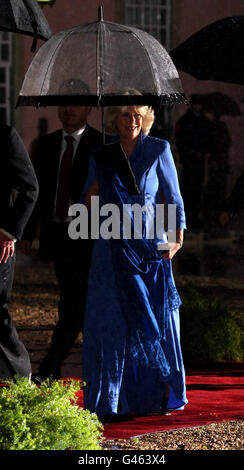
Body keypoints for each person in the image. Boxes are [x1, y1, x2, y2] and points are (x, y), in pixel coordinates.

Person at [82, 104, 188, 420]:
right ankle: (112, 401)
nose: (132, 121)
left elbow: (173, 197)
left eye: (138, 116)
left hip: (149, 249)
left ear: (146, 120)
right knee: (111, 325)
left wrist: (177, 239)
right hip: (110, 250)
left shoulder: (158, 149)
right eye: (126, 115)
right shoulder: (101, 155)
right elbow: (87, 206)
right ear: (114, 118)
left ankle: (157, 395)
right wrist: (98, 186)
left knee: (156, 323)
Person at [20, 104, 105, 383]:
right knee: (72, 299)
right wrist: (28, 232)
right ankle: (63, 364)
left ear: (89, 109)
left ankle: (51, 366)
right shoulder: (45, 145)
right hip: (57, 233)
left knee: (73, 300)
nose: (68, 110)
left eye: (76, 104)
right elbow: (36, 190)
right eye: (64, 104)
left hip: (90, 234)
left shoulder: (100, 144)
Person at [0, 123, 38, 380]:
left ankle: (20, 377)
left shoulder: (5, 136)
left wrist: (9, 232)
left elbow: (30, 188)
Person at [175, 94, 214, 230]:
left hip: (200, 161)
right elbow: (181, 142)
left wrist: (206, 152)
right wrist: (191, 153)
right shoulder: (185, 121)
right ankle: (187, 219)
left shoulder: (204, 122)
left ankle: (195, 218)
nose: (198, 107)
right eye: (195, 104)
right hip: (189, 161)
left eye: (199, 104)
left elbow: (210, 139)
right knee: (188, 189)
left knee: (197, 190)